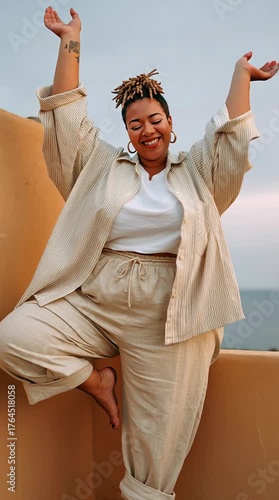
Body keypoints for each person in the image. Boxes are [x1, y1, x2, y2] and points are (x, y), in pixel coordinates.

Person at [0, 6, 278, 500]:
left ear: (170, 122)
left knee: (157, 454)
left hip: (169, 312)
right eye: (134, 124)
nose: (145, 130)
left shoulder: (196, 172)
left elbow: (229, 142)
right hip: (96, 296)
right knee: (14, 337)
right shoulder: (103, 167)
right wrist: (70, 41)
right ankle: (96, 382)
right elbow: (66, 118)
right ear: (126, 131)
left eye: (154, 120)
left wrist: (241, 78)